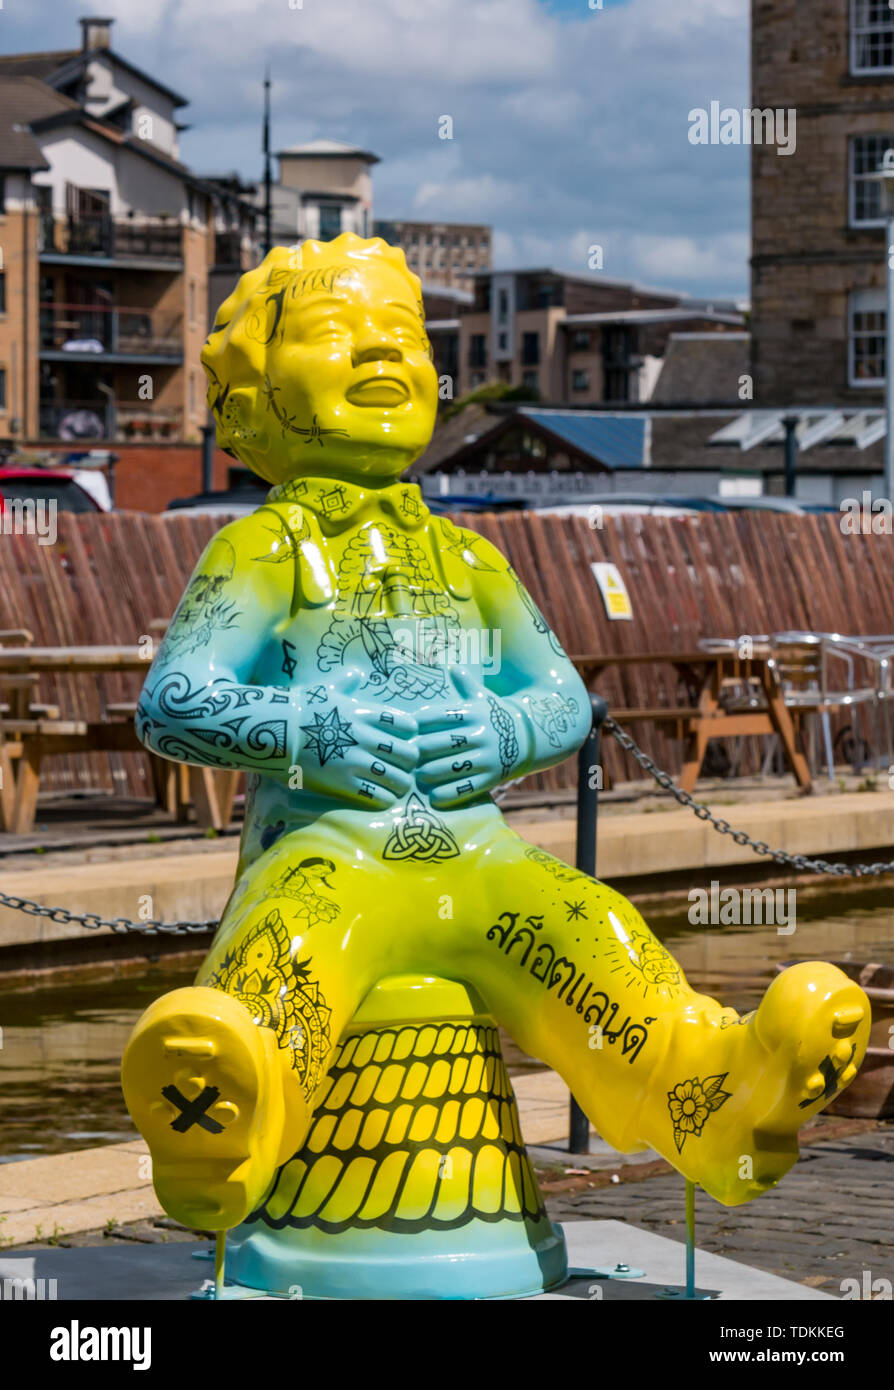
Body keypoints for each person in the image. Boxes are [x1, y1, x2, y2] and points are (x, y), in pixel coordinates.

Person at [122, 234, 868, 1232]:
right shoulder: (263, 547)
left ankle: (718, 1087)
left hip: (481, 859)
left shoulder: (471, 558)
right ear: (252, 397)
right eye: (338, 332)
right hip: (326, 854)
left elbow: (562, 697)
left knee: (589, 926)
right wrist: (313, 727)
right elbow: (174, 701)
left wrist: (502, 726)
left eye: (400, 332)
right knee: (291, 951)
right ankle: (231, 1110)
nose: (381, 352)